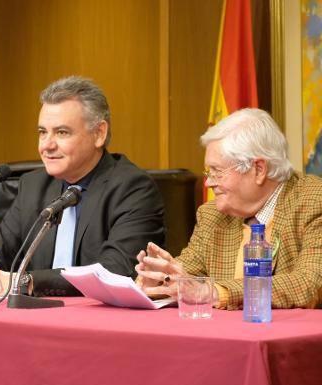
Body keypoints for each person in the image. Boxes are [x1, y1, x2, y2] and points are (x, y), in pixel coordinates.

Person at [0, 76, 165, 296]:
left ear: (99, 134)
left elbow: (116, 270)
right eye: (42, 132)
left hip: (99, 323)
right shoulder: (33, 185)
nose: (46, 145)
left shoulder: (133, 188)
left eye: (62, 132)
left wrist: (29, 281)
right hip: (34, 317)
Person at [136, 108, 322, 309]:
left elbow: (309, 283)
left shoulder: (314, 200)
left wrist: (214, 292)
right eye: (208, 172)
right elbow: (185, 277)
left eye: (217, 171)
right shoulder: (212, 214)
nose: (208, 183)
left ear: (259, 169)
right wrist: (158, 280)